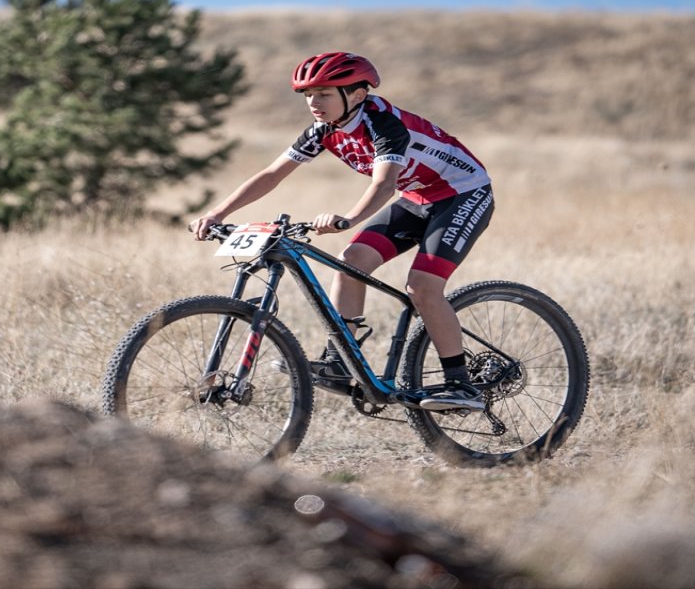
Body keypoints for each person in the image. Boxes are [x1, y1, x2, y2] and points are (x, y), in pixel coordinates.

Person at [189, 52, 494, 411]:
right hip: (416, 196)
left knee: (423, 287)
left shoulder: (384, 124)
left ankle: (462, 385)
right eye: (308, 95)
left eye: (324, 94)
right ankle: (339, 363)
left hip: (462, 193)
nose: (314, 103)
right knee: (351, 262)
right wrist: (218, 212)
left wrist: (348, 219)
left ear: (358, 95)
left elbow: (383, 185)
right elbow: (272, 174)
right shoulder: (324, 130)